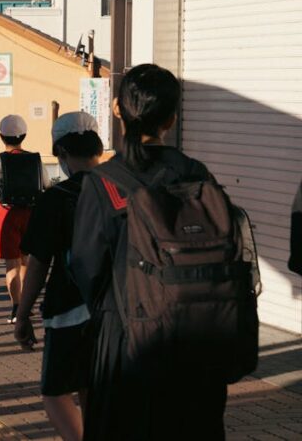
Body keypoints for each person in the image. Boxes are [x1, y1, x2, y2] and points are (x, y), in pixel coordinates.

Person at [70, 64, 251, 439]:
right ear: (172, 116)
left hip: (126, 339)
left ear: (119, 110)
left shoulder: (104, 183)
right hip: (199, 339)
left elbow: (87, 269)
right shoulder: (197, 174)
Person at [13, 112, 101, 441]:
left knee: (55, 392)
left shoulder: (56, 199)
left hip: (69, 311)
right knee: (94, 387)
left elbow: (38, 264)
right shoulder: (123, 189)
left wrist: (23, 315)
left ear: (62, 152)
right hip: (117, 310)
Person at [0, 114, 50, 324]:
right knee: (26, 260)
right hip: (31, 213)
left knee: (11, 263)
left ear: (1, 136)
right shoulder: (35, 159)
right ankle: (26, 305)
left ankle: (15, 307)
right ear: (24, 135)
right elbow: (46, 184)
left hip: (6, 213)